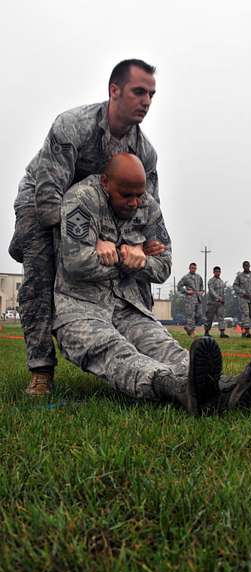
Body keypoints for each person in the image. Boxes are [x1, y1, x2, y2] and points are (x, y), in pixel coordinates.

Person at [54, 154, 251, 414]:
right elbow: (76, 262)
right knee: (117, 354)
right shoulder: (82, 198)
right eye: (126, 195)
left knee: (167, 350)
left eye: (138, 195)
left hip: (128, 307)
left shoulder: (148, 206)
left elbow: (163, 267)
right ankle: (178, 389)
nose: (134, 203)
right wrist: (130, 253)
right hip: (81, 308)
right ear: (106, 182)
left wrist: (134, 258)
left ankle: (234, 389)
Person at [9, 59, 162, 396]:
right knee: (41, 273)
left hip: (98, 213)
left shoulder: (144, 153)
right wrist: (88, 245)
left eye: (151, 94)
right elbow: (49, 200)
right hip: (40, 205)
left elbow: (147, 212)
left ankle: (142, 349)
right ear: (114, 91)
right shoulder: (72, 127)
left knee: (133, 271)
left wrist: (136, 248)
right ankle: (41, 369)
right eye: (139, 92)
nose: (146, 101)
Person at [233, 261, 251, 338]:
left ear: (249, 266)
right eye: (245, 266)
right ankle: (247, 331)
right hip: (243, 298)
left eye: (248, 265)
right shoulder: (240, 276)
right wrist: (242, 293)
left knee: (249, 315)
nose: (246, 267)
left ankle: (243, 331)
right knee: (246, 313)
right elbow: (235, 286)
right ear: (243, 266)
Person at [177, 263, 204, 336]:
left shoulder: (199, 277)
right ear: (189, 268)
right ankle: (192, 331)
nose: (193, 269)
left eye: (194, 268)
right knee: (190, 316)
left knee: (199, 315)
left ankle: (188, 327)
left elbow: (201, 286)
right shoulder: (186, 277)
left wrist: (201, 292)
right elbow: (179, 286)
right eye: (192, 268)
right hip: (190, 299)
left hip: (198, 299)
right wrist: (186, 291)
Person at [204, 267, 229, 338]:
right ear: (213, 272)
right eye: (216, 271)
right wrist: (218, 298)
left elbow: (223, 292)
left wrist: (223, 300)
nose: (217, 273)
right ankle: (206, 332)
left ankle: (222, 332)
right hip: (212, 303)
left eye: (219, 271)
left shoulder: (221, 281)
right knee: (209, 318)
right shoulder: (211, 281)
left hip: (220, 304)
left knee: (221, 317)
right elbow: (212, 291)